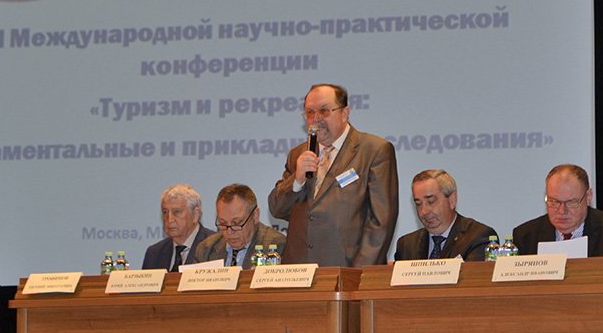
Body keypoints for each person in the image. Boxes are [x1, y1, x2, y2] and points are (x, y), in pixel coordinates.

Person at [268, 83, 398, 267]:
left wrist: (359, 274)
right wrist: (296, 180)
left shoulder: (374, 150)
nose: (316, 119)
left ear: (344, 113)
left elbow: (381, 222)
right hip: (300, 272)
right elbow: (277, 209)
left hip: (347, 269)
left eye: (324, 111)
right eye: (310, 113)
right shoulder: (298, 154)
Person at [513, 164, 603, 256]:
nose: (562, 211)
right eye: (554, 201)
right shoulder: (525, 237)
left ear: (588, 197)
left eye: (571, 202)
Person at [394, 169, 497, 262]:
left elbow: (473, 276)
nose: (424, 211)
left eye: (431, 202)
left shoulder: (478, 237)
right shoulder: (406, 245)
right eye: (418, 204)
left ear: (452, 200)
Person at [193, 184, 287, 268]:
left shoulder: (276, 246)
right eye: (223, 223)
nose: (229, 232)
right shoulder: (206, 249)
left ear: (255, 216)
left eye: (236, 223)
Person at [141, 184, 214, 270]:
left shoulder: (216, 247)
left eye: (177, 212)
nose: (170, 219)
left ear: (195, 215)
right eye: (165, 212)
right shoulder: (154, 253)